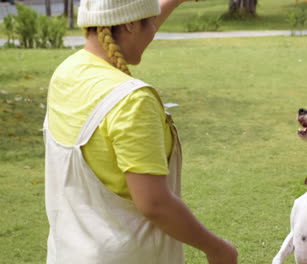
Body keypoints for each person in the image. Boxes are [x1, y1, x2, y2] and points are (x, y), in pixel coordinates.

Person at [43, 0, 237, 263]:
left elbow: (135, 18)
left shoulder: (66, 73)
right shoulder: (132, 101)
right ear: (130, 24)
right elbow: (155, 204)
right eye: (150, 24)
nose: (154, 31)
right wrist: (217, 248)